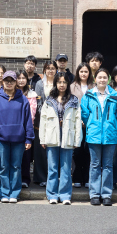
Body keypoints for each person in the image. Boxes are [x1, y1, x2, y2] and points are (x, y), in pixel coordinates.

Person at [0, 71, 34, 203]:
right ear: (2, 82)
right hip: (2, 139)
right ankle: (4, 193)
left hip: (19, 139)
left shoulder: (23, 100)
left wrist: (29, 138)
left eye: (12, 81)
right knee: (3, 166)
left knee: (16, 166)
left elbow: (28, 120)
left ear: (16, 83)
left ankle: (14, 193)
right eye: (6, 81)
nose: (9, 83)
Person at [80, 68, 117, 206]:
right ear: (95, 79)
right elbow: (85, 114)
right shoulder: (89, 95)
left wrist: (111, 125)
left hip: (110, 134)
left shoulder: (114, 95)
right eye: (100, 77)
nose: (102, 80)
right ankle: (94, 194)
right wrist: (92, 125)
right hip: (94, 134)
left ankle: (106, 194)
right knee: (95, 164)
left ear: (108, 79)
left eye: (105, 77)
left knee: (108, 165)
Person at [40, 72, 82, 205]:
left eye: (64, 82)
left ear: (68, 84)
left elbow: (77, 121)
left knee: (66, 168)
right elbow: (43, 120)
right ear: (55, 83)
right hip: (52, 136)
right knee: (52, 168)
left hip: (68, 136)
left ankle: (65, 195)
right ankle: (52, 194)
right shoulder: (49, 100)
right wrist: (42, 139)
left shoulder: (73, 100)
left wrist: (77, 139)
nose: (62, 85)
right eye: (59, 82)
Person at [70, 62, 94, 189]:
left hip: (91, 124)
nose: (84, 74)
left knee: (88, 151)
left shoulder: (94, 86)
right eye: (81, 71)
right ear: (78, 73)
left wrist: (88, 120)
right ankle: (77, 177)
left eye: (86, 71)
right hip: (76, 123)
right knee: (77, 151)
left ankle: (88, 177)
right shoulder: (72, 87)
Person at [34, 61, 57, 186]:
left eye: (53, 68)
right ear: (44, 70)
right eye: (48, 68)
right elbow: (38, 102)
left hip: (56, 120)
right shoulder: (39, 83)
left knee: (53, 149)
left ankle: (53, 177)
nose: (50, 70)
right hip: (42, 120)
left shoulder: (59, 82)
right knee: (41, 149)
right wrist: (45, 114)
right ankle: (41, 177)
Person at [17, 70, 39, 188]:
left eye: (23, 78)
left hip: (26, 127)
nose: (21, 80)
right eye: (19, 78)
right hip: (13, 128)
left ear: (27, 80)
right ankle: (15, 178)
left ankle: (25, 179)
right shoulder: (11, 92)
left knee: (26, 155)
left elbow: (32, 112)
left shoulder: (31, 94)